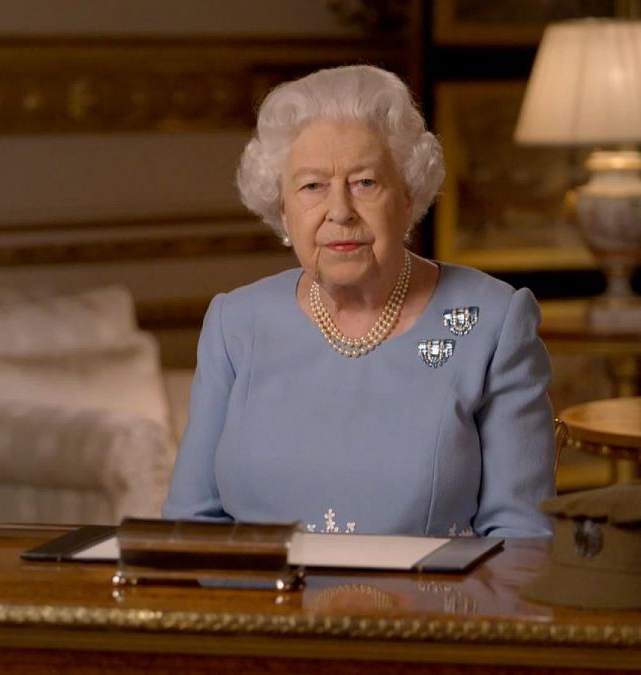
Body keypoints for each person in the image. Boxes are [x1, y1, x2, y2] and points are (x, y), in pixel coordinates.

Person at [162, 65, 555, 538]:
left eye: (365, 182)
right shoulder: (235, 323)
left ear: (408, 197)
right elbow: (189, 528)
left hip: (428, 611)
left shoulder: (490, 322)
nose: (340, 211)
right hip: (260, 608)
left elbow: (522, 544)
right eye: (312, 186)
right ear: (282, 209)